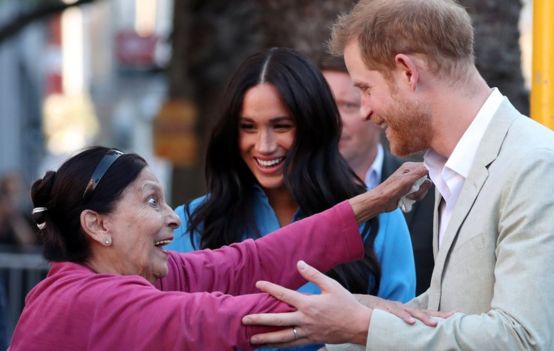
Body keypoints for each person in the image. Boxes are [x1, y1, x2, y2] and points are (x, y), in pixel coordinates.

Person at [242, 0, 554, 350]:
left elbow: (518, 338)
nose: (364, 111)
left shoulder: (537, 166)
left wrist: (363, 325)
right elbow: (448, 313)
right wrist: (357, 313)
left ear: (407, 71)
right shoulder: (456, 168)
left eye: (365, 89)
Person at [8, 146, 429, 351]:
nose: (174, 217)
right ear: (97, 225)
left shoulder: (124, 278)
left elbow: (247, 262)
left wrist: (370, 202)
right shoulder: (85, 300)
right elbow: (214, 316)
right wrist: (358, 311)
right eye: (152, 201)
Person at [166, 47, 416, 351]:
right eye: (248, 127)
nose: (264, 145)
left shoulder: (380, 218)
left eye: (281, 126)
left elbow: (401, 338)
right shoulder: (193, 223)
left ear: (314, 127)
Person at [319, 55, 434, 296]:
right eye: (323, 107)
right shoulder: (286, 196)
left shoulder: (431, 189)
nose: (333, 121)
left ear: (374, 110)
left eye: (347, 106)